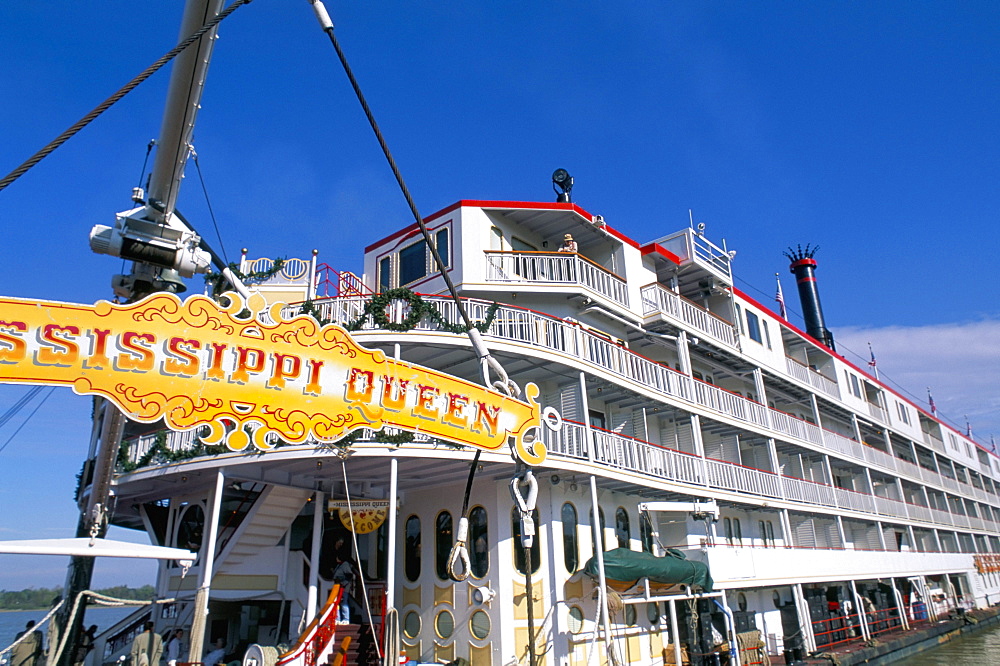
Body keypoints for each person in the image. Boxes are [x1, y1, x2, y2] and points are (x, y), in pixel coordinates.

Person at [331, 552, 355, 624]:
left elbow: (349, 575)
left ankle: (346, 619)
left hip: (343, 587)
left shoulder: (345, 565)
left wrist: (343, 582)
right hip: (337, 587)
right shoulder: (339, 565)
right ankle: (337, 618)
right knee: (337, 603)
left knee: (344, 602)